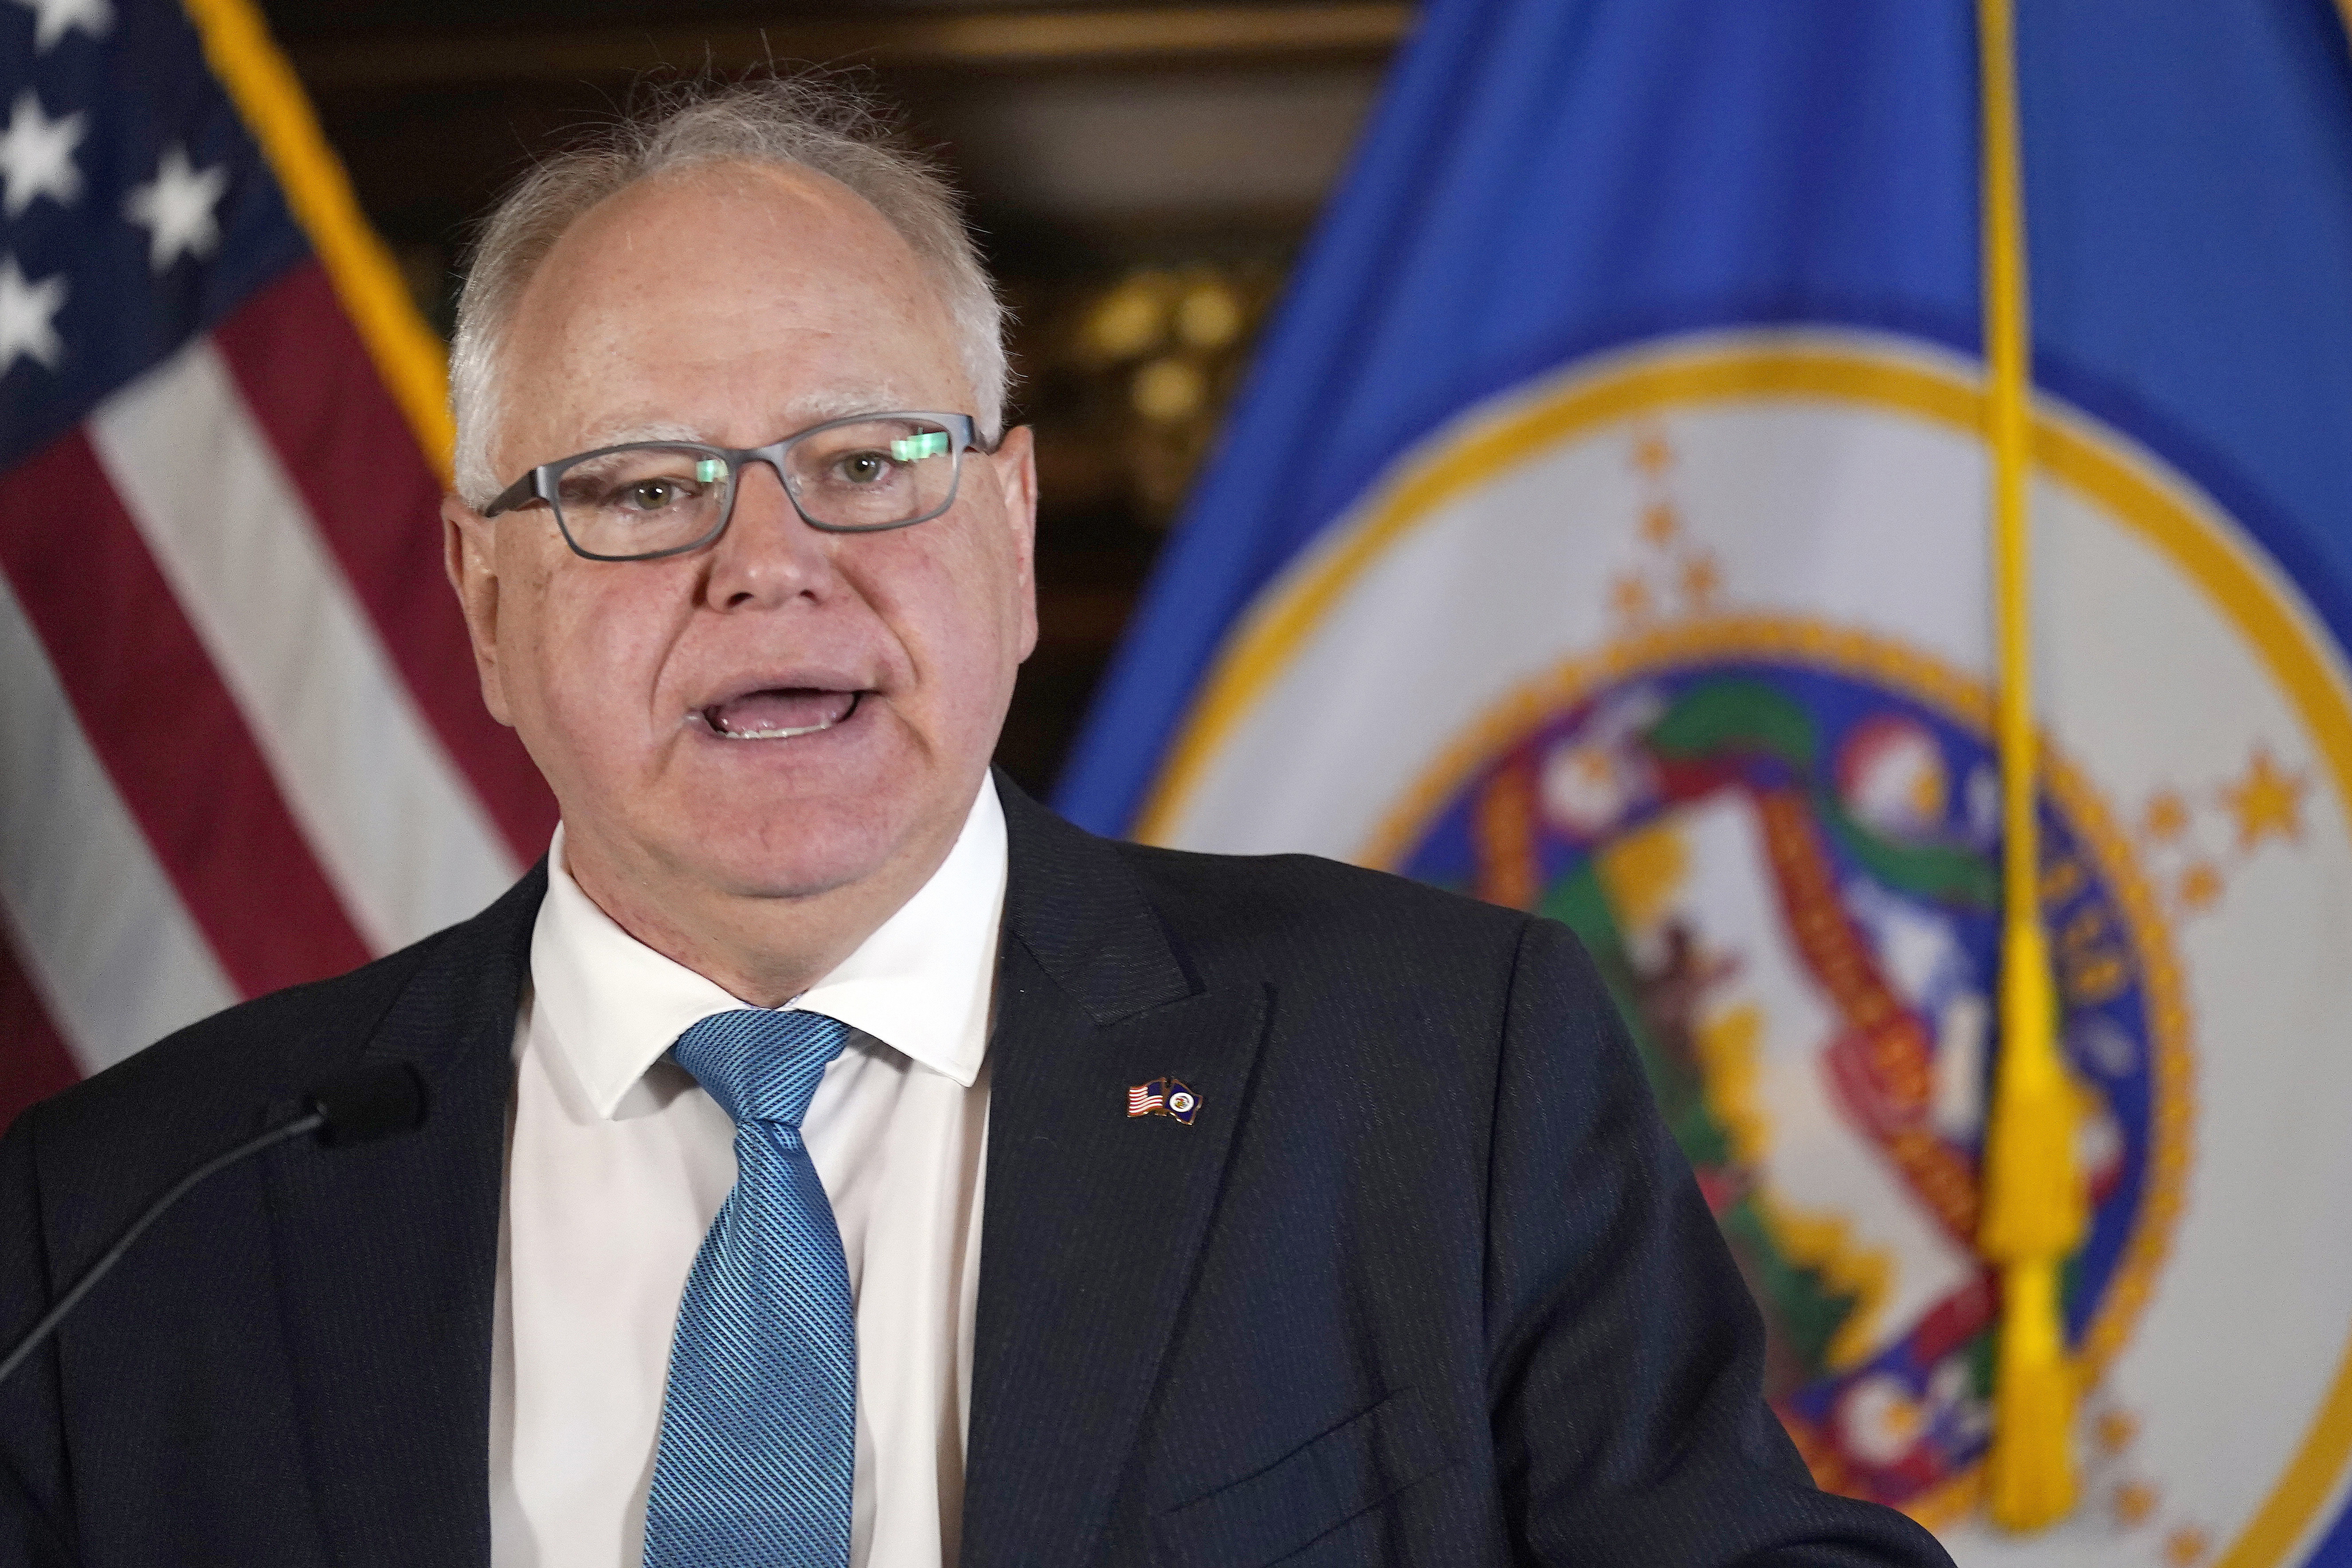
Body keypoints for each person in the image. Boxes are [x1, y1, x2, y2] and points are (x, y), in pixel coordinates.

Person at [0, 77, 1955, 1568]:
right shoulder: (124, 1222)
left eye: (865, 464)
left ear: (1011, 538)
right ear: (482, 597)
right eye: (640, 486)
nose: (766, 567)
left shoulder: (1437, 1069)